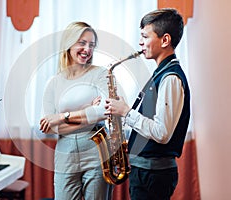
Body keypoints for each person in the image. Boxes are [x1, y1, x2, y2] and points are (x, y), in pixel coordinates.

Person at [104, 8, 190, 200]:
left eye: (145, 36)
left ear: (165, 40)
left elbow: (162, 133)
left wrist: (126, 112)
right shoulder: (161, 73)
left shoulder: (170, 78)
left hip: (154, 175)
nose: (140, 42)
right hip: (146, 171)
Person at [39, 22, 112, 200]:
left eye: (92, 45)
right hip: (65, 152)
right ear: (69, 43)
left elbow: (106, 110)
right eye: (82, 42)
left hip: (97, 149)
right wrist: (89, 112)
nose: (87, 49)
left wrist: (62, 117)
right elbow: (48, 126)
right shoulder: (54, 82)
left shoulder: (101, 74)